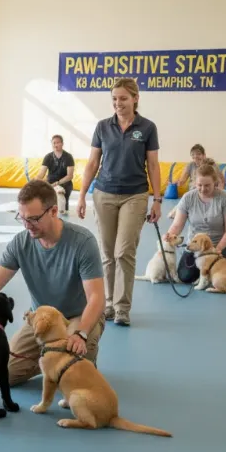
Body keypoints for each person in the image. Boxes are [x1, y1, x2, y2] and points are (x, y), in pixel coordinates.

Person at [0, 180, 106, 386]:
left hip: (78, 316)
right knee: (5, 374)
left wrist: (81, 333)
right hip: (42, 318)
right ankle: (52, 358)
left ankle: (77, 355)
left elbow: (97, 297)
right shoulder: (21, 242)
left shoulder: (82, 242)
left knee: (78, 375)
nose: (27, 226)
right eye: (23, 218)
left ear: (53, 211)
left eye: (34, 219)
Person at [77, 77, 161, 327]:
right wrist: (81, 195)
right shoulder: (103, 126)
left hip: (135, 195)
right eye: (114, 99)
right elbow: (92, 163)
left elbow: (153, 165)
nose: (118, 103)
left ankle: (123, 308)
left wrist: (157, 199)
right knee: (107, 253)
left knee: (124, 251)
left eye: (123, 98)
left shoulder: (147, 128)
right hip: (104, 194)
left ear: (135, 98)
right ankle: (109, 304)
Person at [165, 162, 226, 284]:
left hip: (220, 245)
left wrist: (217, 249)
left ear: (215, 183)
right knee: (184, 277)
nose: (203, 189)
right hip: (195, 246)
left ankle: (206, 271)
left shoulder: (225, 198)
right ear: (195, 183)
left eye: (207, 185)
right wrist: (168, 235)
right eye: (199, 185)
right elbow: (177, 225)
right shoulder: (188, 197)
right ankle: (205, 271)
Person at [169, 147, 226, 219]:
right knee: (187, 199)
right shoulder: (190, 165)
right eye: (193, 155)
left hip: (210, 190)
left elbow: (221, 181)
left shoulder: (212, 165)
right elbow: (182, 180)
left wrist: (220, 192)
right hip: (195, 190)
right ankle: (178, 211)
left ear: (204, 155)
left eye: (198, 154)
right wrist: (177, 182)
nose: (195, 156)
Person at [36, 134, 75, 214]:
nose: (55, 145)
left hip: (64, 182)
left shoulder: (68, 157)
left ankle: (61, 209)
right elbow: (41, 174)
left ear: (62, 144)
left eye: (58, 143)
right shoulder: (48, 157)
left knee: (61, 205)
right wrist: (35, 181)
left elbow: (70, 176)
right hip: (50, 182)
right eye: (54, 143)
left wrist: (57, 184)